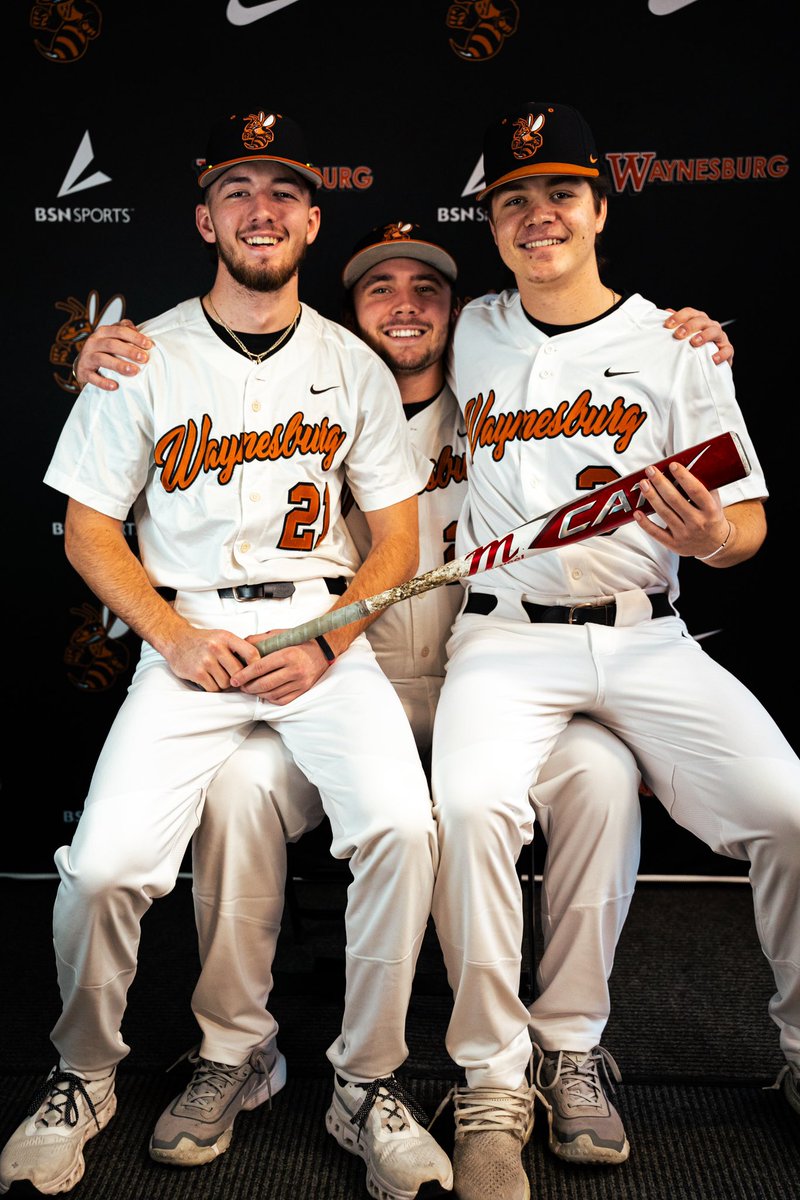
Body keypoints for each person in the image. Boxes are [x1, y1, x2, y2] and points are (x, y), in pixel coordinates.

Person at [65, 214, 737, 1192]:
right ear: (350, 312)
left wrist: (685, 339)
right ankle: (235, 1047)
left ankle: (564, 1045)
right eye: (380, 290)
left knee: (597, 774)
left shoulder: (505, 398)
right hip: (344, 686)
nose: (405, 306)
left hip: (487, 680)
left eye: (427, 290)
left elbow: (615, 378)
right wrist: (108, 353)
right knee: (242, 788)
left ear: (460, 316)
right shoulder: (316, 406)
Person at [0, 108, 455, 1199]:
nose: (262, 210)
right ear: (206, 217)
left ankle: (366, 1082)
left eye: (282, 192)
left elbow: (395, 535)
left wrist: (332, 639)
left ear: (310, 217)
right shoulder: (142, 356)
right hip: (188, 636)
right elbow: (87, 528)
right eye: (239, 192)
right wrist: (170, 635)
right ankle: (85, 1075)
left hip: (315, 631)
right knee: (104, 868)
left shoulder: (350, 362)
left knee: (401, 826)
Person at [426, 98, 800, 1200]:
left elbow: (747, 529)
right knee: (475, 810)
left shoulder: (670, 342)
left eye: (559, 194)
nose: (535, 215)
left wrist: (713, 536)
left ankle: (793, 1055)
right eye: (512, 198)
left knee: (787, 809)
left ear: (598, 205)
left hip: (648, 637)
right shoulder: (471, 324)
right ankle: (493, 1081)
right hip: (500, 640)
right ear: (488, 218)